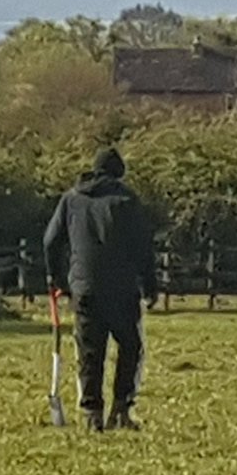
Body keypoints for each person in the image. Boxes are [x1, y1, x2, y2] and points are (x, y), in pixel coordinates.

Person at [43, 148, 158, 432]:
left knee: (90, 351)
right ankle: (121, 408)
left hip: (85, 288)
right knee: (130, 347)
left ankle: (91, 413)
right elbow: (143, 246)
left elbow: (51, 241)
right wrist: (149, 285)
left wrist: (57, 278)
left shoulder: (71, 199)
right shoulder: (126, 200)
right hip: (122, 288)